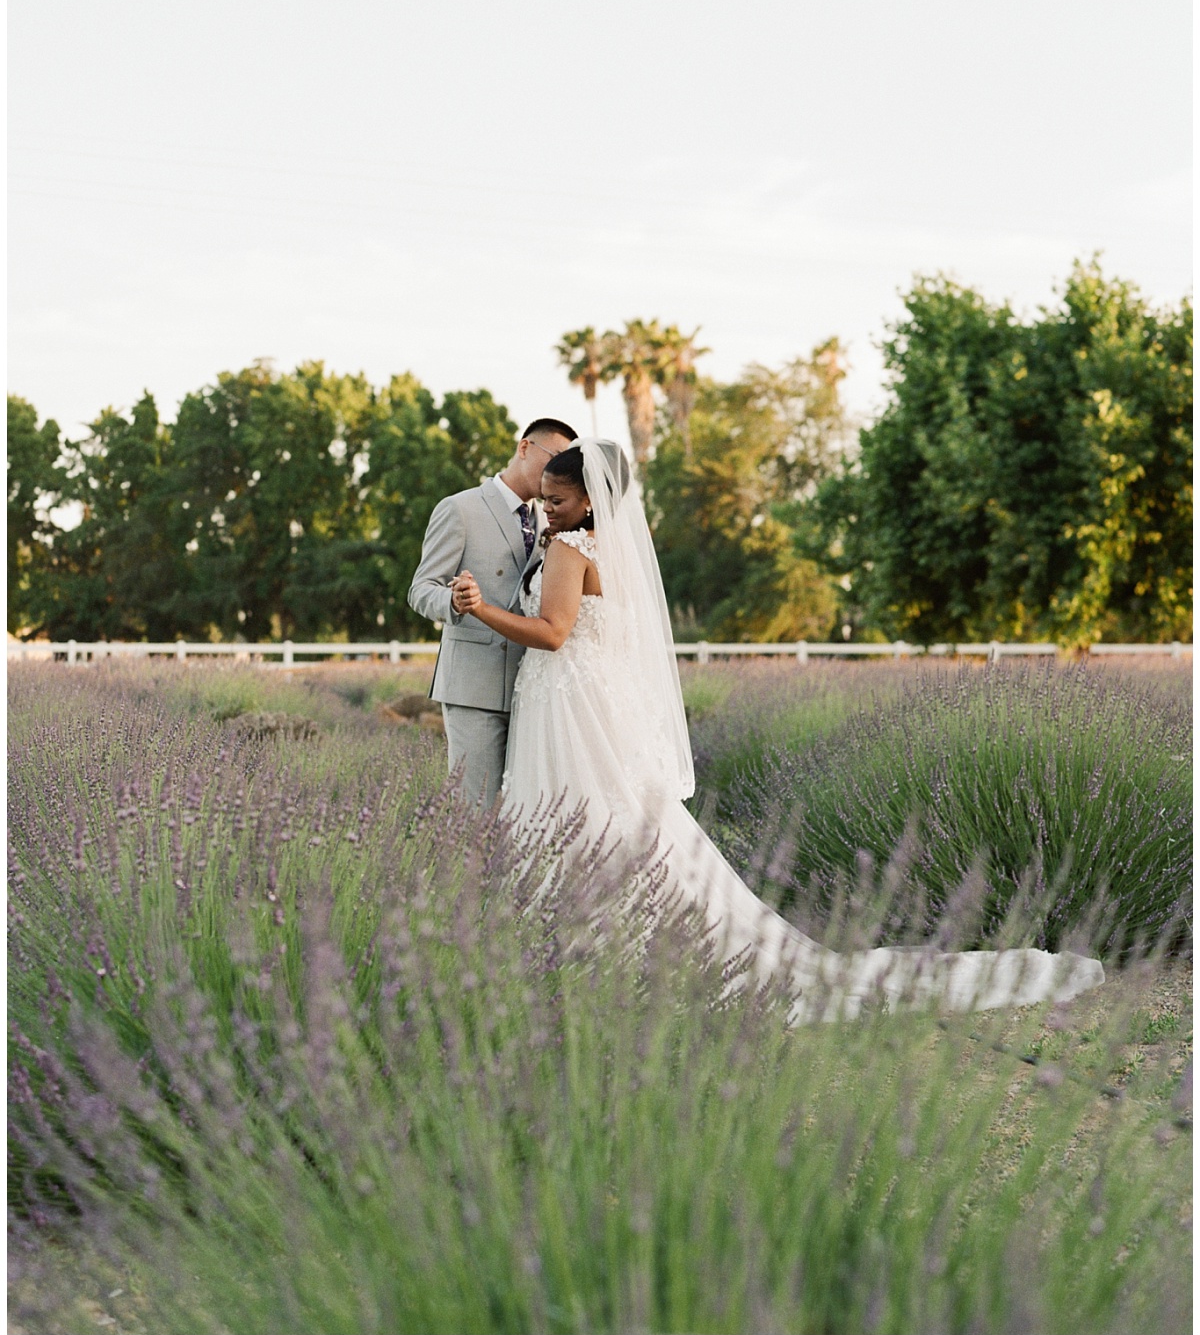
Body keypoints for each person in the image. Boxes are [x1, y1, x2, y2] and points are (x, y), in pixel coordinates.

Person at [450, 438, 1106, 1024]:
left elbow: (555, 633)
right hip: (591, 706)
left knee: (577, 816)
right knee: (611, 820)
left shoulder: (570, 548)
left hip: (567, 705)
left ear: (592, 499)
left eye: (558, 499)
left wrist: (482, 610)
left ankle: (583, 948)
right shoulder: (614, 554)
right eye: (544, 498)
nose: (547, 510)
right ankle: (596, 941)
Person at [407, 417, 577, 807]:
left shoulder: (552, 520)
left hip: (532, 689)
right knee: (476, 813)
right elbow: (420, 589)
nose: (557, 473)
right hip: (474, 687)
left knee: (525, 812)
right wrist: (453, 602)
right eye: (553, 458)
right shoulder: (460, 508)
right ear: (524, 448)